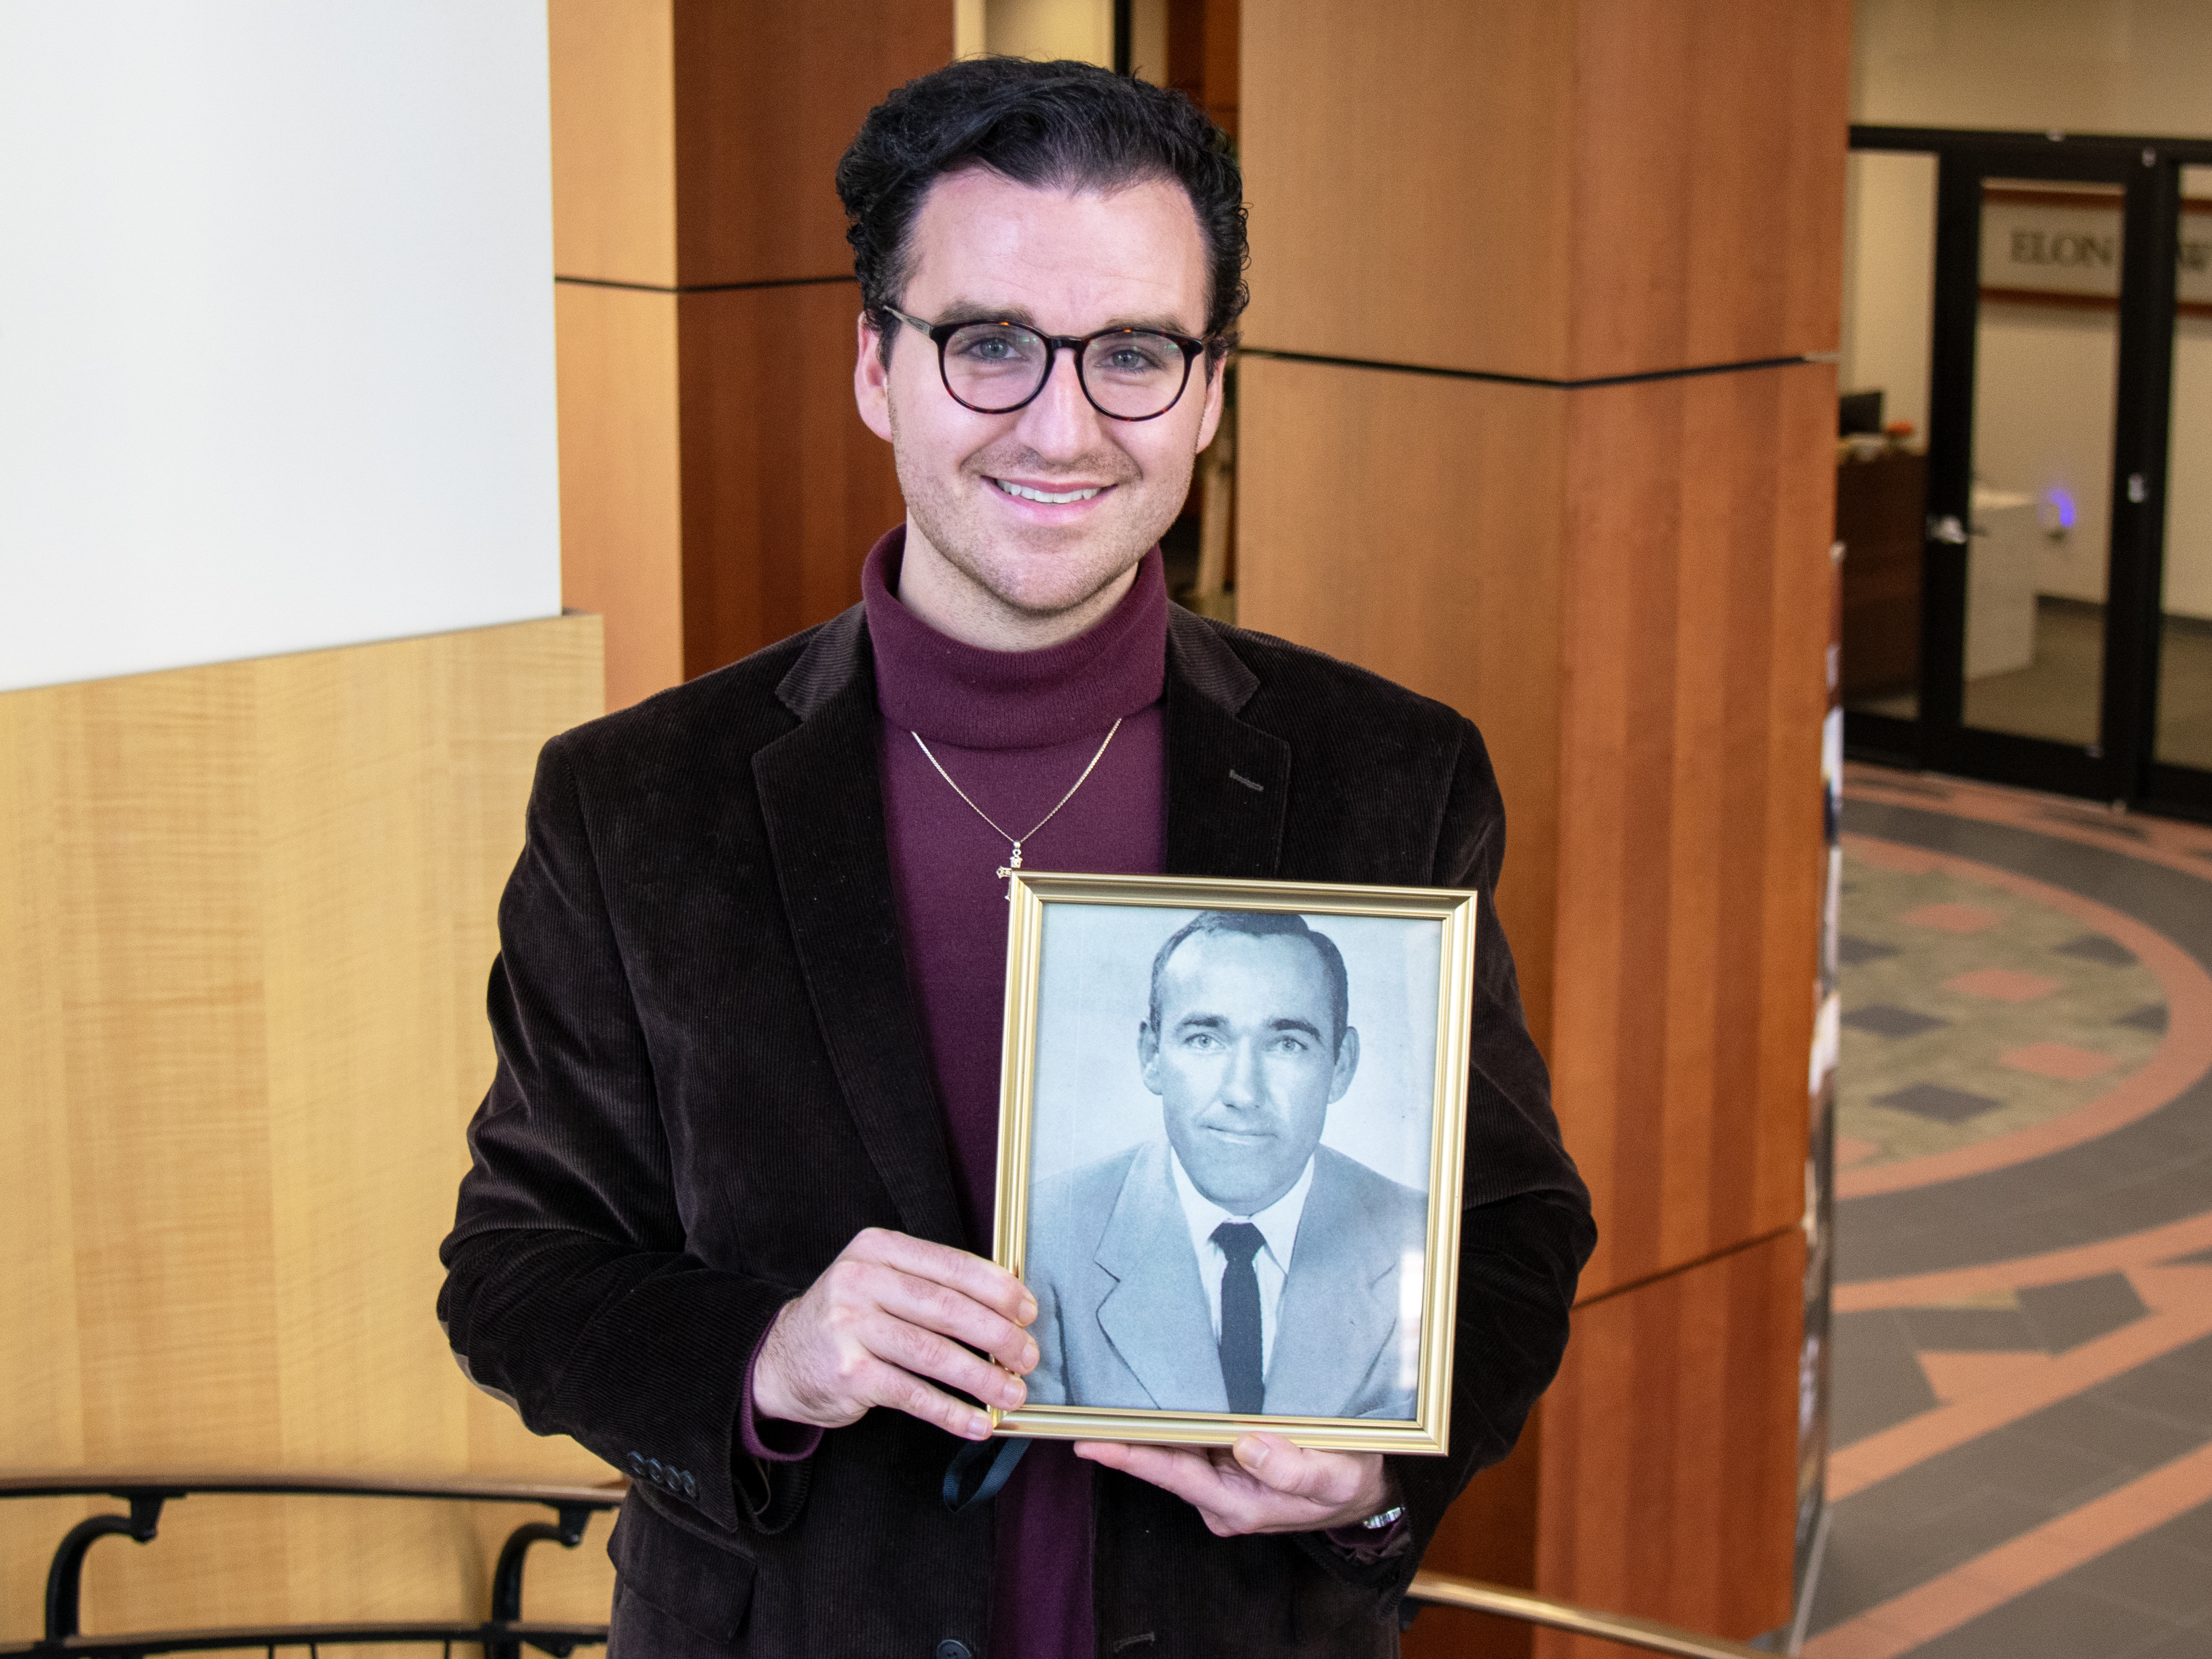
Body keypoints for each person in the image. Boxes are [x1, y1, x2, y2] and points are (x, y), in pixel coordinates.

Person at [438, 55, 1593, 1659]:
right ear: (874, 367)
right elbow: (514, 1268)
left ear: (1206, 390)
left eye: (1130, 354)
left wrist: (1373, 1470)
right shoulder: (642, 800)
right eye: (988, 345)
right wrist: (769, 1356)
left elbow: (1513, 1226)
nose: (1060, 427)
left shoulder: (1381, 775)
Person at [1026, 910, 1429, 1420]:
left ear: (1341, 1066)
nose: (1242, 1092)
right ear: (1151, 1054)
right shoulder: (1043, 1232)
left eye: (1287, 1044)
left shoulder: (1426, 1238)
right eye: (1204, 1040)